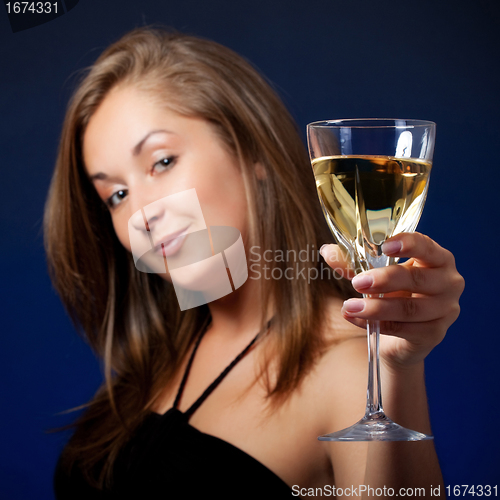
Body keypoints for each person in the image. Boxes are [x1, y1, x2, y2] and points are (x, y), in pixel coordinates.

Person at [46, 27, 464, 499]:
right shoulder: (160, 356)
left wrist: (398, 372)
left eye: (162, 162)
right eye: (116, 194)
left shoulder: (349, 365)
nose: (142, 213)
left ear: (251, 151)